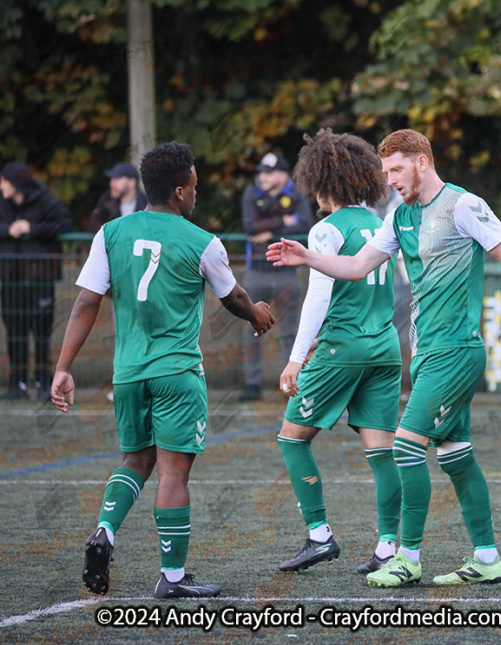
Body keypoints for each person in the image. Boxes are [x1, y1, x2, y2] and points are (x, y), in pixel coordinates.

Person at [268, 128, 501, 587]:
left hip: (456, 350)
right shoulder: (399, 217)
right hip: (422, 352)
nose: (389, 180)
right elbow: (354, 267)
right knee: (456, 455)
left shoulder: (463, 205)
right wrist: (308, 257)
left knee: (406, 446)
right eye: (385, 171)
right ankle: (487, 558)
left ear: (422, 161)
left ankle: (406, 557)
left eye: (396, 169)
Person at [51, 142, 274, 599]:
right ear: (178, 190)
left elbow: (86, 302)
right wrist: (258, 315)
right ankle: (172, 578)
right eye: (194, 182)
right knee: (173, 473)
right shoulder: (202, 241)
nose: (198, 189)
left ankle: (105, 534)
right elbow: (232, 298)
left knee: (136, 459)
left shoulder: (110, 233)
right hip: (177, 372)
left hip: (128, 373)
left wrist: (63, 368)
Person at [273, 129, 402, 575]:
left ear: (321, 181)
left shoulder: (326, 229)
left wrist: (295, 356)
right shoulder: (383, 223)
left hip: (342, 348)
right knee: (381, 450)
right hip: (385, 347)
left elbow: (319, 296)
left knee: (292, 439)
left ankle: (320, 536)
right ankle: (389, 546)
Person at [239, 152, 315, 401]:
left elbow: (305, 224)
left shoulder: (296, 194)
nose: (263, 177)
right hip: (257, 269)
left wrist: (268, 226)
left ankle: (289, 383)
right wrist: (283, 221)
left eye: (269, 172)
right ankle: (252, 384)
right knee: (251, 330)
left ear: (283, 175)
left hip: (286, 273)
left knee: (290, 331)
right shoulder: (251, 193)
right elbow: (250, 226)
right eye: (261, 172)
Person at [0, 161, 73, 401]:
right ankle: (17, 384)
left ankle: (44, 383)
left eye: (5, 181)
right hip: (11, 278)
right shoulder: (3, 204)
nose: (1, 186)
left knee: (41, 332)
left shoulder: (44, 200)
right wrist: (8, 229)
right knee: (15, 331)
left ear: (17, 183)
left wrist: (32, 228)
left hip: (40, 278)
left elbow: (64, 223)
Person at [86, 162, 148, 231]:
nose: (112, 183)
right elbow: (93, 222)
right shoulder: (108, 199)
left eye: (117, 178)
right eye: (112, 179)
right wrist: (111, 233)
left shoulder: (146, 203)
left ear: (132, 182)